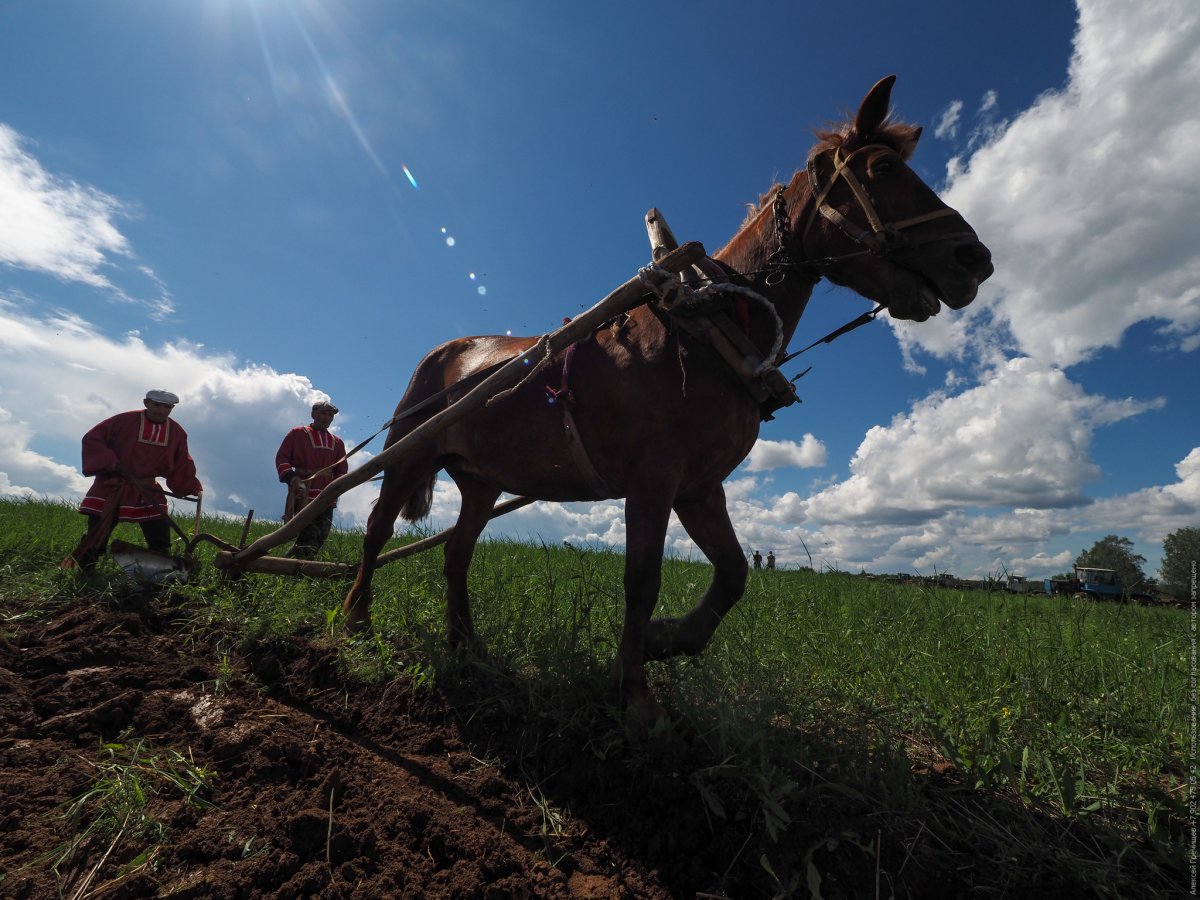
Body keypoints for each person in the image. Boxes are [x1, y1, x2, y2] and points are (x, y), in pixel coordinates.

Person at [65, 389, 202, 570]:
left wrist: (190, 485)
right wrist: (111, 463)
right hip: (112, 485)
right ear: (146, 403)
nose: (161, 410)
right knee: (98, 532)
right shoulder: (123, 421)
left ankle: (160, 574)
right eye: (157, 405)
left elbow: (182, 460)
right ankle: (86, 572)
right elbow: (93, 439)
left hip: (146, 489)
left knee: (159, 534)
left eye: (167, 407)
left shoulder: (176, 432)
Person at [275, 400, 348, 559]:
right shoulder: (297, 433)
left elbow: (342, 470)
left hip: (327, 496)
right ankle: (300, 568)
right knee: (309, 537)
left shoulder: (337, 442)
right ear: (313, 414)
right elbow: (282, 459)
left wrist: (336, 487)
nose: (326, 418)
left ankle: (286, 562)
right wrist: (292, 478)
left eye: (330, 415)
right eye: (323, 413)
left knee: (321, 536)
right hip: (303, 493)